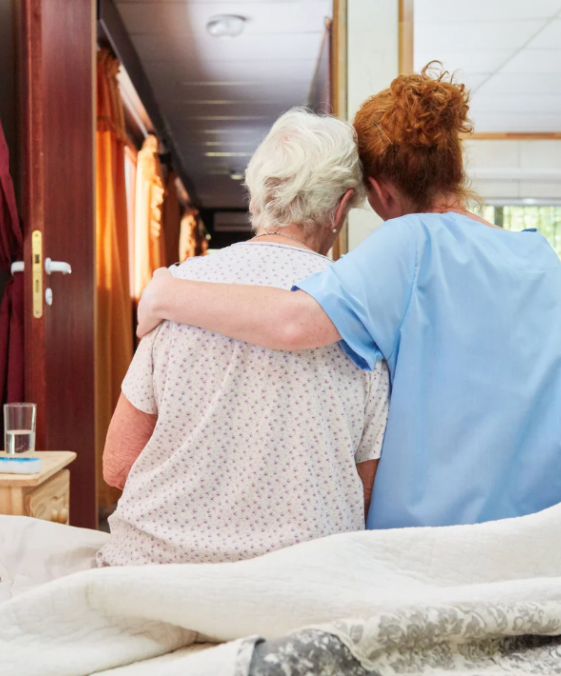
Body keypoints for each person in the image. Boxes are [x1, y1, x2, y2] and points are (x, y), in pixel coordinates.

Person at [136, 63, 561, 531]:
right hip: (559, 526)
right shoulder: (539, 256)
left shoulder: (412, 240)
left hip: (441, 543)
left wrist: (165, 292)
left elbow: (292, 323)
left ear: (380, 192)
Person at [97, 110, 390, 567]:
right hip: (296, 585)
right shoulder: (360, 313)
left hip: (153, 575)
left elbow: (118, 465)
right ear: (340, 208)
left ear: (256, 199)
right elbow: (367, 492)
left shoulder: (177, 291)